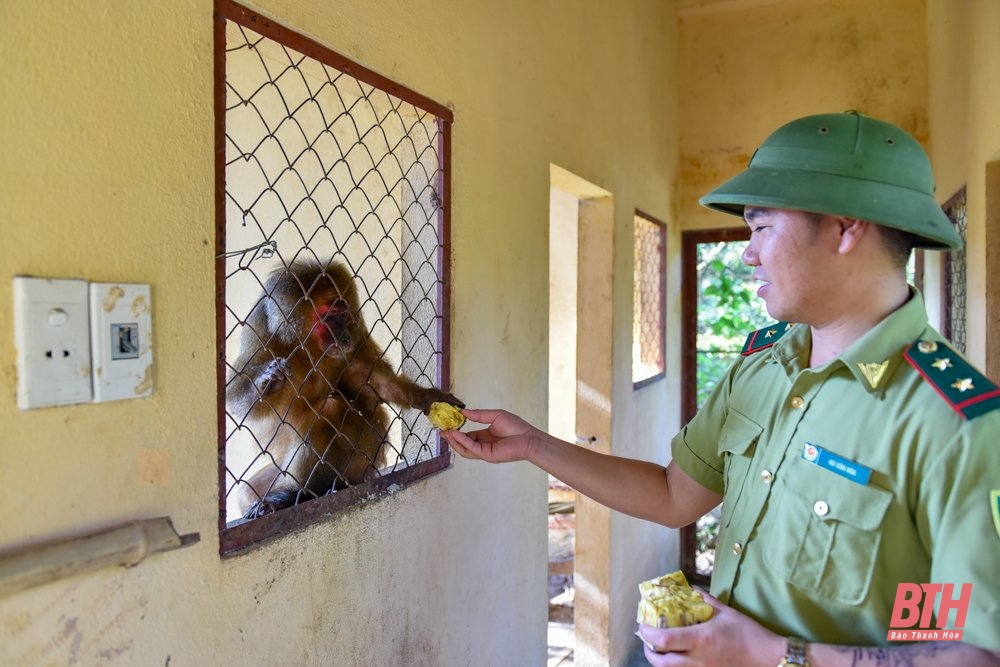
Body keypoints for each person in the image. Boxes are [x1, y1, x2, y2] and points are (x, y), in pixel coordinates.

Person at [441, 112, 1000, 666]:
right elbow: (672, 495)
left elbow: (976, 653)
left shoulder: (959, 425)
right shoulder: (762, 366)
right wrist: (534, 446)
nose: (747, 253)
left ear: (843, 225)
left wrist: (777, 655)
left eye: (761, 228)